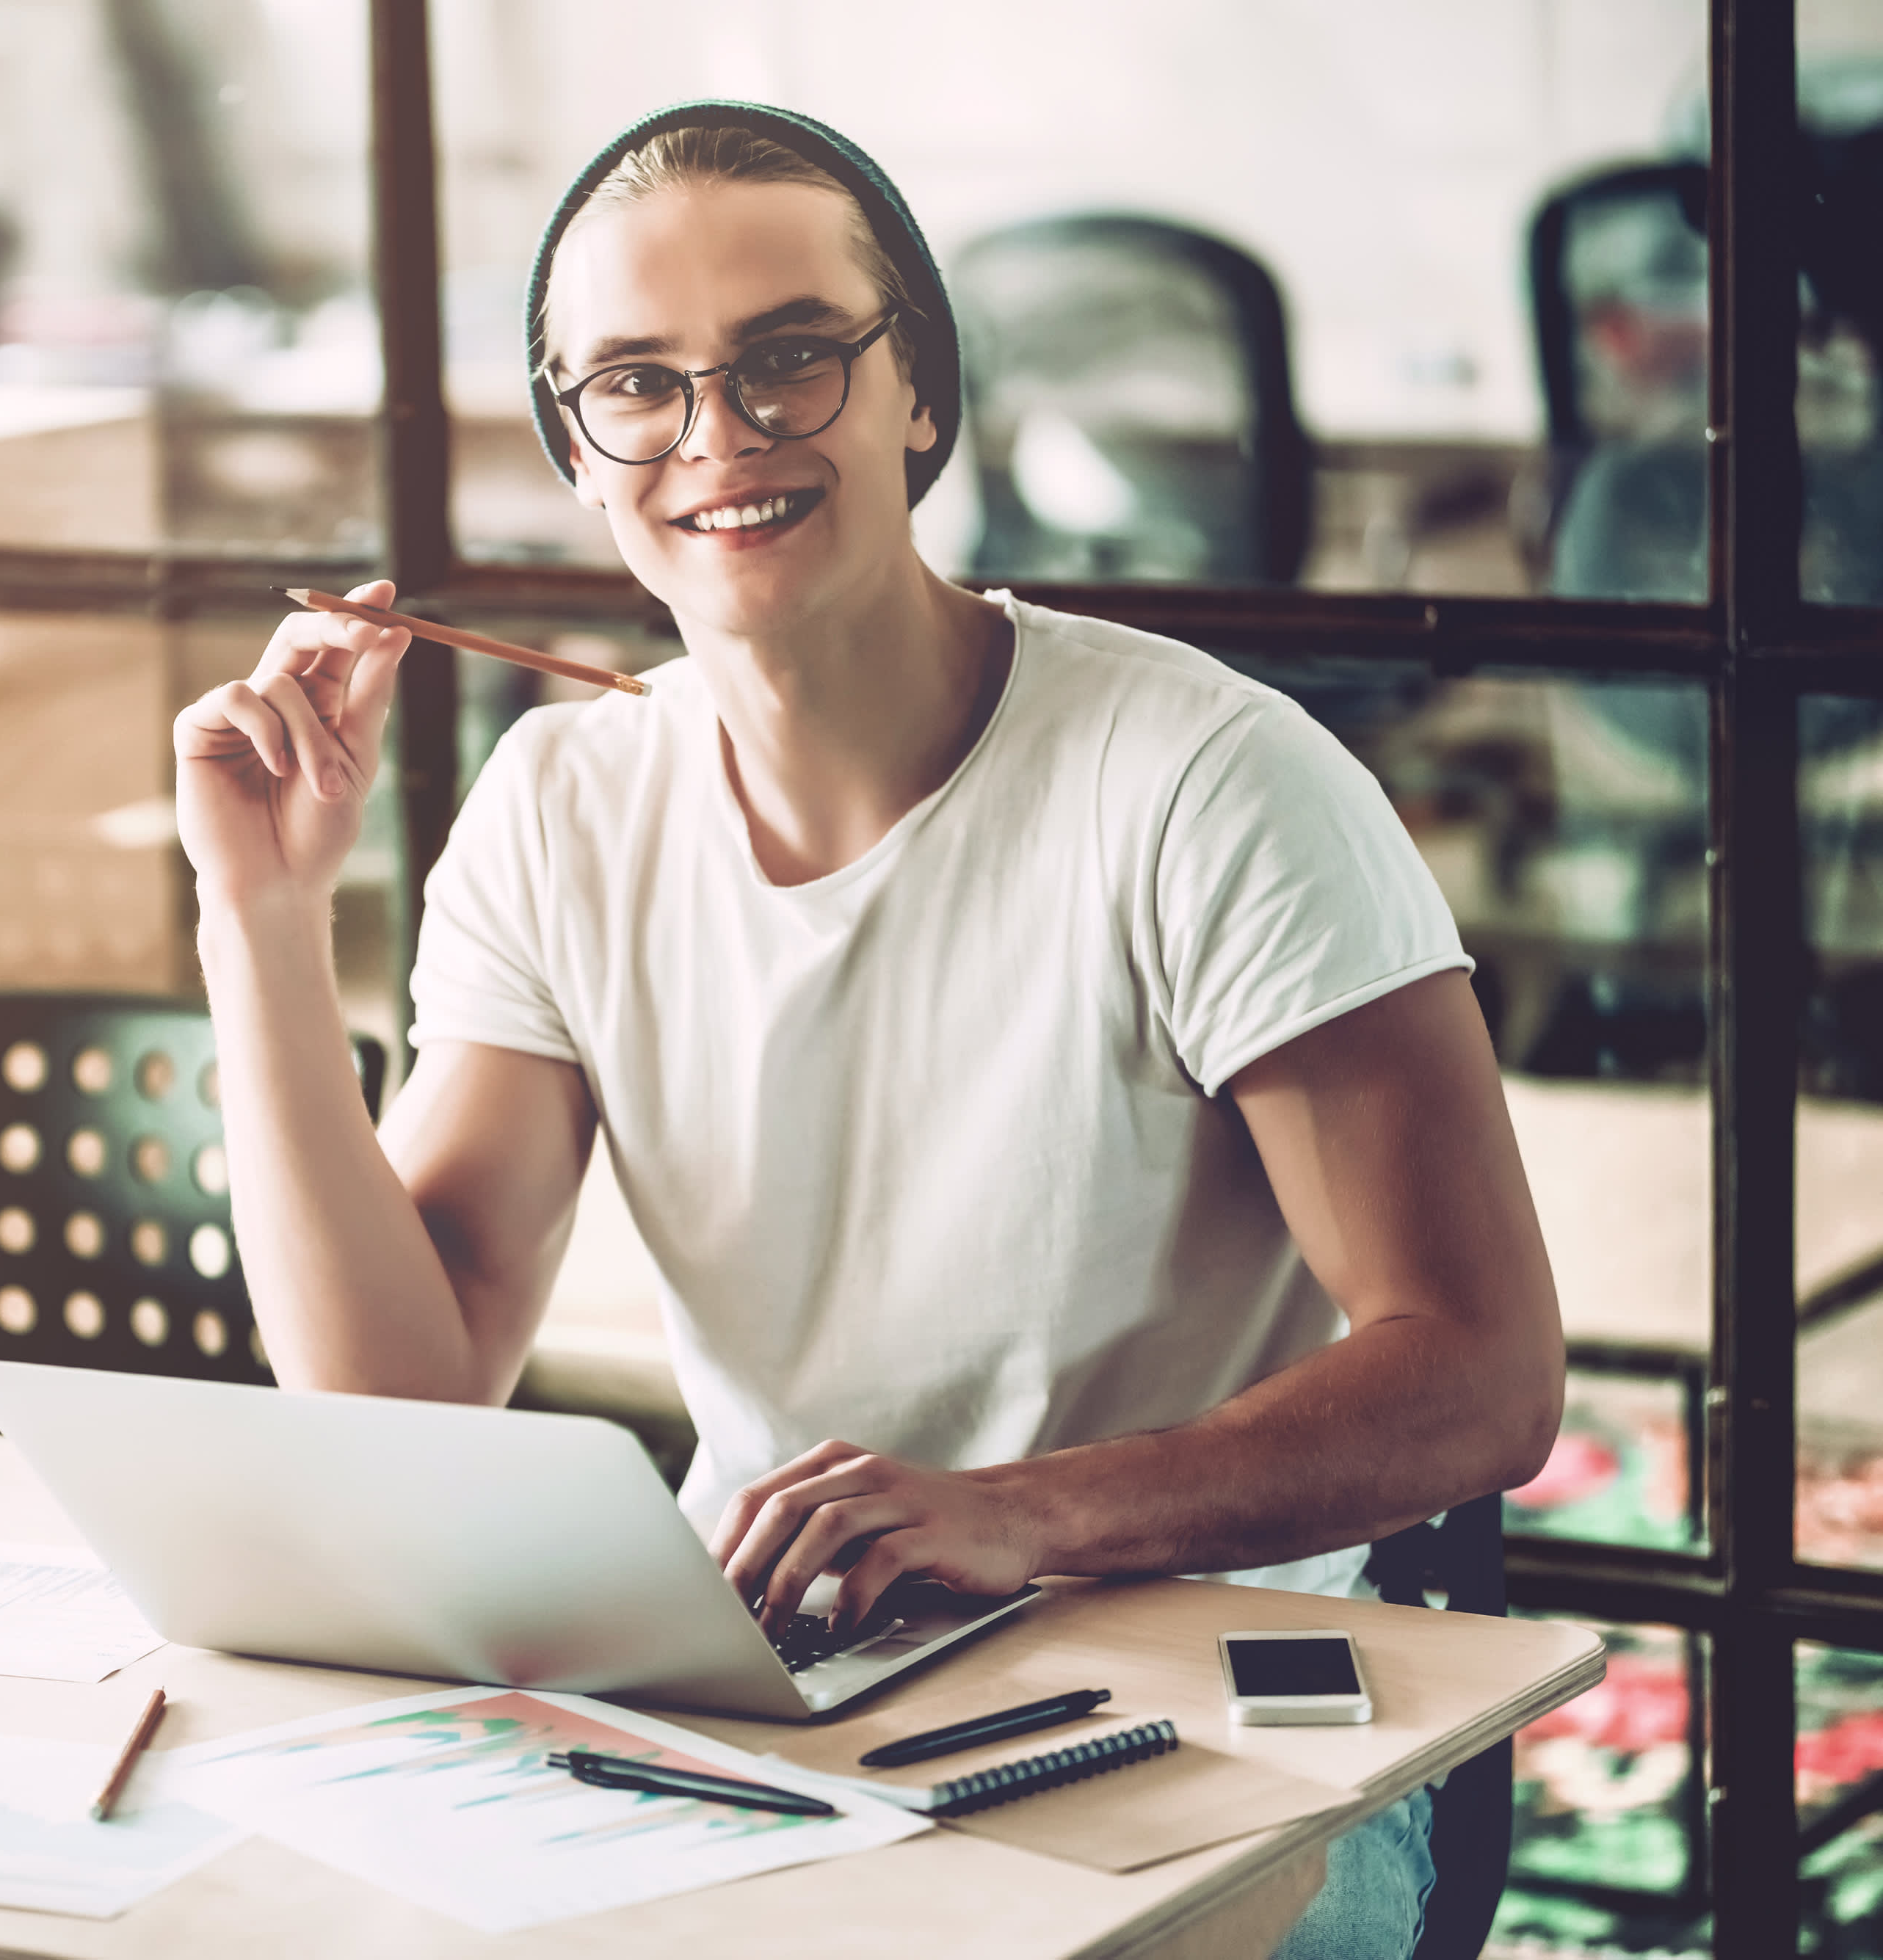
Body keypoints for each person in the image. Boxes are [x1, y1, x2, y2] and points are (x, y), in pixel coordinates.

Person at [171, 102, 1561, 1957]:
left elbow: (1478, 1372)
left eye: (790, 357)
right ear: (578, 453)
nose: (718, 434)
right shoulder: (557, 804)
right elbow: (400, 1411)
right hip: (768, 1705)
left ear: (920, 390)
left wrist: (1021, 1514)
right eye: (635, 386)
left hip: (1207, 1728)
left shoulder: (1205, 779)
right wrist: (257, 919)